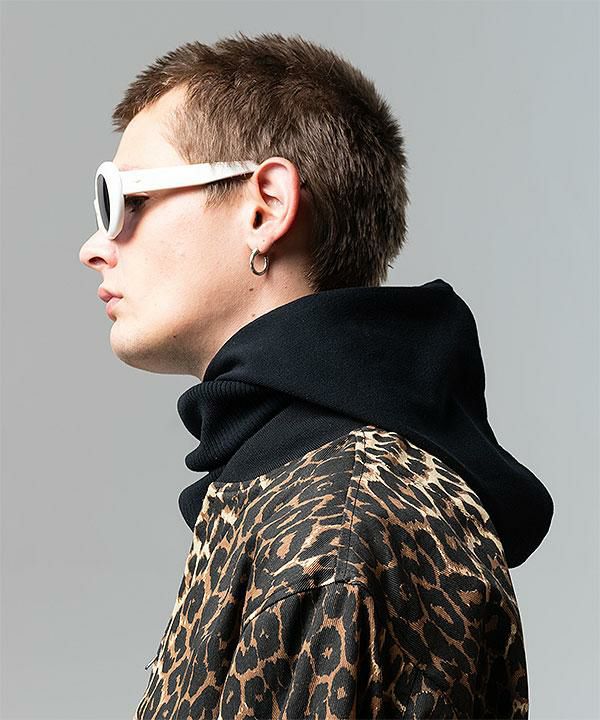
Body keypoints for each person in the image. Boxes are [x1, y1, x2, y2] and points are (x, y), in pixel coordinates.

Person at [79, 32, 553, 720]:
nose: (95, 246)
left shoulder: (343, 513)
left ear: (265, 206)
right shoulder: (288, 484)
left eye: (126, 198)